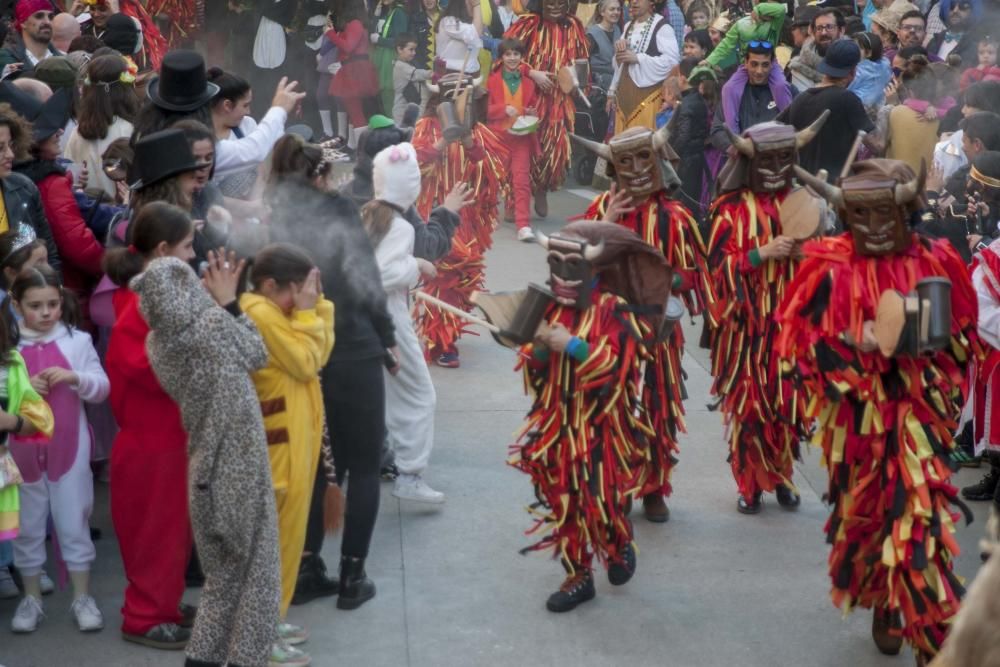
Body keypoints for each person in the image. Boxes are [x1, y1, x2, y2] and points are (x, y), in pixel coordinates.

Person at [782, 158, 979, 667]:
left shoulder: (935, 260)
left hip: (916, 416)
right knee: (865, 512)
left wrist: (921, 346)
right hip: (853, 420)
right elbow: (801, 344)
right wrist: (850, 343)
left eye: (883, 214)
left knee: (920, 515)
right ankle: (887, 601)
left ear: (906, 211)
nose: (872, 227)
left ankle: (933, 633)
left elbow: (960, 337)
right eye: (860, 215)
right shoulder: (827, 266)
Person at [132, 248, 281, 667]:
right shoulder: (213, 325)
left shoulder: (157, 341)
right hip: (239, 468)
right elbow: (257, 353)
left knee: (221, 584)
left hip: (204, 472)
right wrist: (230, 301)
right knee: (256, 584)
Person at [266, 134, 396, 611]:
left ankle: (304, 566)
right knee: (362, 465)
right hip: (352, 344)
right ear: (319, 175)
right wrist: (387, 337)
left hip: (302, 352)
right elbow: (366, 280)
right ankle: (352, 575)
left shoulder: (274, 218)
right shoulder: (339, 212)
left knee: (321, 463)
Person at [510, 221, 668, 612]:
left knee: (600, 497)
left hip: (600, 429)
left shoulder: (613, 311)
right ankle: (578, 576)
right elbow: (531, 365)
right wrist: (542, 348)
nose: (563, 276)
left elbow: (619, 370)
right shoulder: (546, 305)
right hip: (556, 426)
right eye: (555, 264)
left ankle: (617, 544)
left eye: (573, 266)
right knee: (565, 501)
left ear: (595, 270)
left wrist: (574, 344)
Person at [575, 123, 709, 523]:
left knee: (657, 406)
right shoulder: (599, 211)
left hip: (659, 335)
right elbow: (577, 265)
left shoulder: (676, 218)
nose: (634, 169)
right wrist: (605, 226)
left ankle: (653, 487)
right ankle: (616, 483)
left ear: (658, 161)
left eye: (643, 158)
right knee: (612, 407)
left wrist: (661, 280)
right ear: (613, 168)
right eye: (625, 161)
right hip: (610, 333)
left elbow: (693, 276)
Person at [704, 113, 828, 514]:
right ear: (749, 164)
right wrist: (761, 254)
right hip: (746, 329)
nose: (775, 171)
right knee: (751, 406)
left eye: (783, 161)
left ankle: (782, 476)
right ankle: (750, 482)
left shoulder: (801, 203)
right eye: (766, 162)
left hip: (789, 325)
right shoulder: (729, 210)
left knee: (787, 403)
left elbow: (822, 264)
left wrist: (804, 252)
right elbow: (715, 271)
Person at [103, 202, 194, 650]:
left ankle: (164, 604)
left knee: (171, 531)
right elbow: (161, 369)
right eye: (187, 246)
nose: (194, 256)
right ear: (162, 251)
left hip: (163, 439)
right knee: (156, 534)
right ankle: (145, 615)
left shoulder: (142, 299)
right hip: (153, 444)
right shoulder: (137, 307)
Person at [240, 243, 334, 666]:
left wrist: (318, 307)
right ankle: (258, 635)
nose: (299, 302)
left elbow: (320, 355)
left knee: (289, 539)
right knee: (273, 544)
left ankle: (271, 619)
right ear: (270, 285)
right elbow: (304, 361)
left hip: (296, 440)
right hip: (279, 447)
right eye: (294, 293)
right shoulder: (260, 313)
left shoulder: (279, 312)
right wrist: (312, 313)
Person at [8, 265, 104, 634]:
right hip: (22, 454)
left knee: (72, 522)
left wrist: (75, 378)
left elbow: (102, 386)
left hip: (70, 450)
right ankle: (31, 598)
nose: (46, 313)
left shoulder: (77, 342)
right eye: (35, 306)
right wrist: (22, 388)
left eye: (52, 304)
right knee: (28, 527)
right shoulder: (9, 349)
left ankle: (82, 597)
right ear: (16, 305)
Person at [364, 143, 445, 503]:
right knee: (420, 394)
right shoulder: (400, 227)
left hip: (368, 317)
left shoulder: (371, 213)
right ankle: (410, 473)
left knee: (385, 394)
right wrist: (419, 266)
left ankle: (389, 459)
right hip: (390, 319)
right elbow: (381, 273)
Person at [413, 78, 509, 368]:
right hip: (435, 212)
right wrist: (443, 140)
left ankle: (447, 329)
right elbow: (414, 167)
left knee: (463, 279)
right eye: (453, 94)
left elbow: (494, 176)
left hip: (468, 217)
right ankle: (442, 342)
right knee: (443, 275)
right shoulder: (426, 127)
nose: (461, 99)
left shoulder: (479, 131)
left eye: (465, 94)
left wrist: (468, 141)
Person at [13, 90, 104, 332]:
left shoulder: (19, 178)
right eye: (49, 129)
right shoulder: (50, 183)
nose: (60, 132)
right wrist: (111, 264)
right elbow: (78, 245)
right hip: (66, 292)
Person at [503, 0, 588, 217]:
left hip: (558, 101)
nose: (556, 6)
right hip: (527, 97)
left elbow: (581, 61)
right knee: (521, 148)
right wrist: (533, 73)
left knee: (552, 150)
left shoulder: (573, 25)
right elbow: (505, 58)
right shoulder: (526, 24)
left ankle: (541, 190)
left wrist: (576, 81)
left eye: (561, 1)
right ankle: (514, 198)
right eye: (551, 2)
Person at [778, 40, 874, 182]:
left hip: (800, 190)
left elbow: (774, 129)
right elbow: (875, 143)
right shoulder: (848, 99)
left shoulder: (800, 99)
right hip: (833, 191)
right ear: (853, 72)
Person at [64, 53, 138, 199]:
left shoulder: (77, 133)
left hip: (88, 212)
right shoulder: (130, 131)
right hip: (119, 212)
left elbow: (69, 175)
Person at [487, 37, 538, 241]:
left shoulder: (529, 83)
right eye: (508, 54)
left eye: (516, 54)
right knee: (492, 180)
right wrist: (502, 109)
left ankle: (523, 225)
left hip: (522, 138)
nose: (512, 58)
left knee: (522, 180)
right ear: (502, 57)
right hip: (498, 137)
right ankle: (487, 216)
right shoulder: (491, 81)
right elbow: (484, 110)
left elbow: (532, 108)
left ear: (521, 57)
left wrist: (530, 111)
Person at [0, 103, 59, 271]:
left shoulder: (25, 188)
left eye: (10, 145)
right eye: (0, 148)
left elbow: (50, 256)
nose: (10, 155)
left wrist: (56, 292)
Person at [607, 0, 679, 133]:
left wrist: (638, 58)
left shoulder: (662, 27)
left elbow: (672, 61)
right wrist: (619, 57)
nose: (633, 2)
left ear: (652, 2)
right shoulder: (628, 26)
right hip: (624, 96)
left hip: (647, 99)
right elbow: (619, 65)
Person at [710, 40, 792, 143]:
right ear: (745, 63)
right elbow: (717, 130)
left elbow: (797, 127)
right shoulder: (731, 91)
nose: (759, 71)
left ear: (773, 64)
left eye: (765, 65)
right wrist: (736, 148)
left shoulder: (787, 89)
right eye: (754, 64)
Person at [326, 0, 381, 150]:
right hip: (356, 69)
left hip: (354, 70)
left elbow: (348, 46)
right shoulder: (357, 23)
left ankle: (360, 151)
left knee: (355, 113)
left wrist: (330, 34)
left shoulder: (355, 23)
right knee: (354, 111)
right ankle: (352, 147)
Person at [885, 56, 941, 173]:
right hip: (925, 183)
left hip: (899, 181)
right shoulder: (938, 116)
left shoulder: (897, 112)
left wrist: (891, 104)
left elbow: (880, 144)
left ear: (909, 91)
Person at [788, 8, 846, 92]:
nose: (823, 33)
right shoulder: (800, 65)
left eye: (829, 27)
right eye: (819, 28)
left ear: (841, 30)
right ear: (812, 33)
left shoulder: (855, 59)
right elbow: (808, 102)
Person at [0, 1, 61, 77]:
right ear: (23, 22)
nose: (47, 22)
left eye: (51, 17)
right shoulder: (6, 59)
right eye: (39, 16)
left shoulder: (64, 60)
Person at [372, 0, 410, 115]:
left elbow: (400, 41)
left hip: (390, 58)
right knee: (385, 94)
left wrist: (380, 40)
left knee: (389, 93)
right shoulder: (388, 11)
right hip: (383, 58)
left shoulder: (399, 12)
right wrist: (376, 15)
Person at [392, 33, 432, 126]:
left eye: (415, 50)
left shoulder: (408, 64)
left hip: (409, 112)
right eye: (411, 49)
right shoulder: (400, 66)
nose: (414, 53)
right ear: (399, 49)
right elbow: (417, 74)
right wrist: (431, 74)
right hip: (402, 113)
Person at [435, 0, 483, 76]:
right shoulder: (449, 21)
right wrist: (477, 5)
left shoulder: (470, 22)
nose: (472, 4)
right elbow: (475, 34)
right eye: (470, 1)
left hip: (471, 72)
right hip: (452, 74)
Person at [927, 0, 980, 65]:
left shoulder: (977, 47)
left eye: (962, 7)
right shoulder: (934, 41)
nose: (955, 11)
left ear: (973, 12)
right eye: (951, 6)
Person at [848, 31, 893, 108]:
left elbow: (843, 89)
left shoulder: (859, 71)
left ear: (868, 53)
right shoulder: (885, 66)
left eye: (856, 48)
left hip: (856, 107)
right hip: (878, 109)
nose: (850, 50)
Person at [586, 0, 622, 91]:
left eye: (618, 9)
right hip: (599, 86)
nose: (616, 12)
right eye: (612, 9)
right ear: (602, 12)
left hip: (616, 80)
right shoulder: (591, 35)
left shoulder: (618, 29)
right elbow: (584, 62)